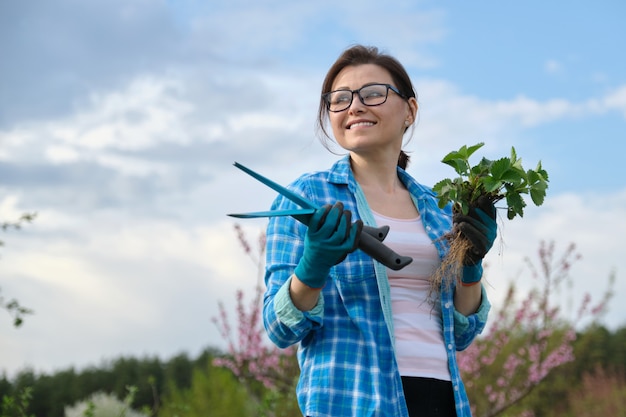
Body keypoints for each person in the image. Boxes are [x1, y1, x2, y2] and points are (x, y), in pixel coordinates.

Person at [262, 44, 497, 417]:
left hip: (441, 401)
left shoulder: (439, 209)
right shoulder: (306, 198)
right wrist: (312, 266)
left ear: (410, 110)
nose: (354, 106)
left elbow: (463, 333)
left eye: (373, 93)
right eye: (339, 99)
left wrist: (470, 268)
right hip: (352, 402)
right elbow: (279, 328)